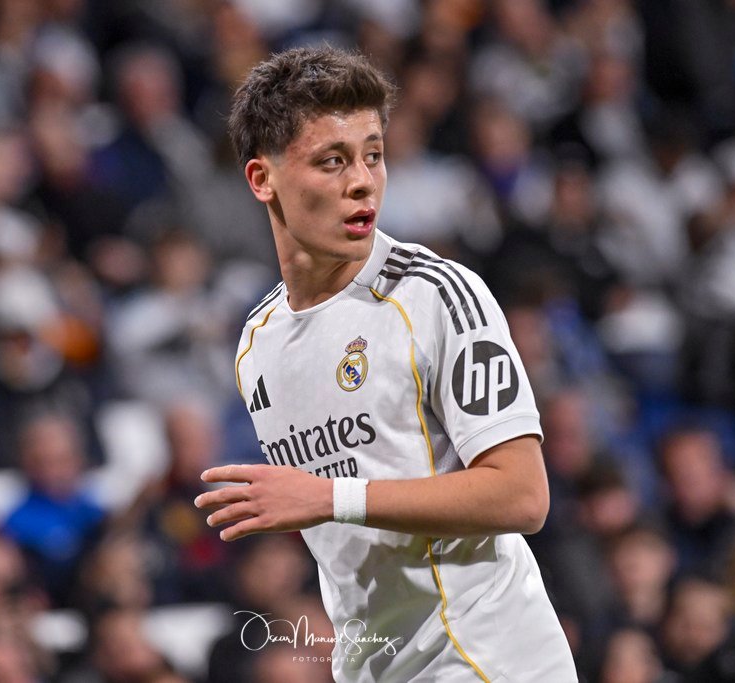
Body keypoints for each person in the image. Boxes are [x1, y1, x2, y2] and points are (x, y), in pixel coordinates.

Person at [195, 47, 576, 681]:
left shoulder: (436, 295)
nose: (363, 181)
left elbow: (522, 494)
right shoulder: (256, 345)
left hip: (485, 659)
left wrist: (330, 497)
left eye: (373, 155)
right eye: (332, 161)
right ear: (263, 179)